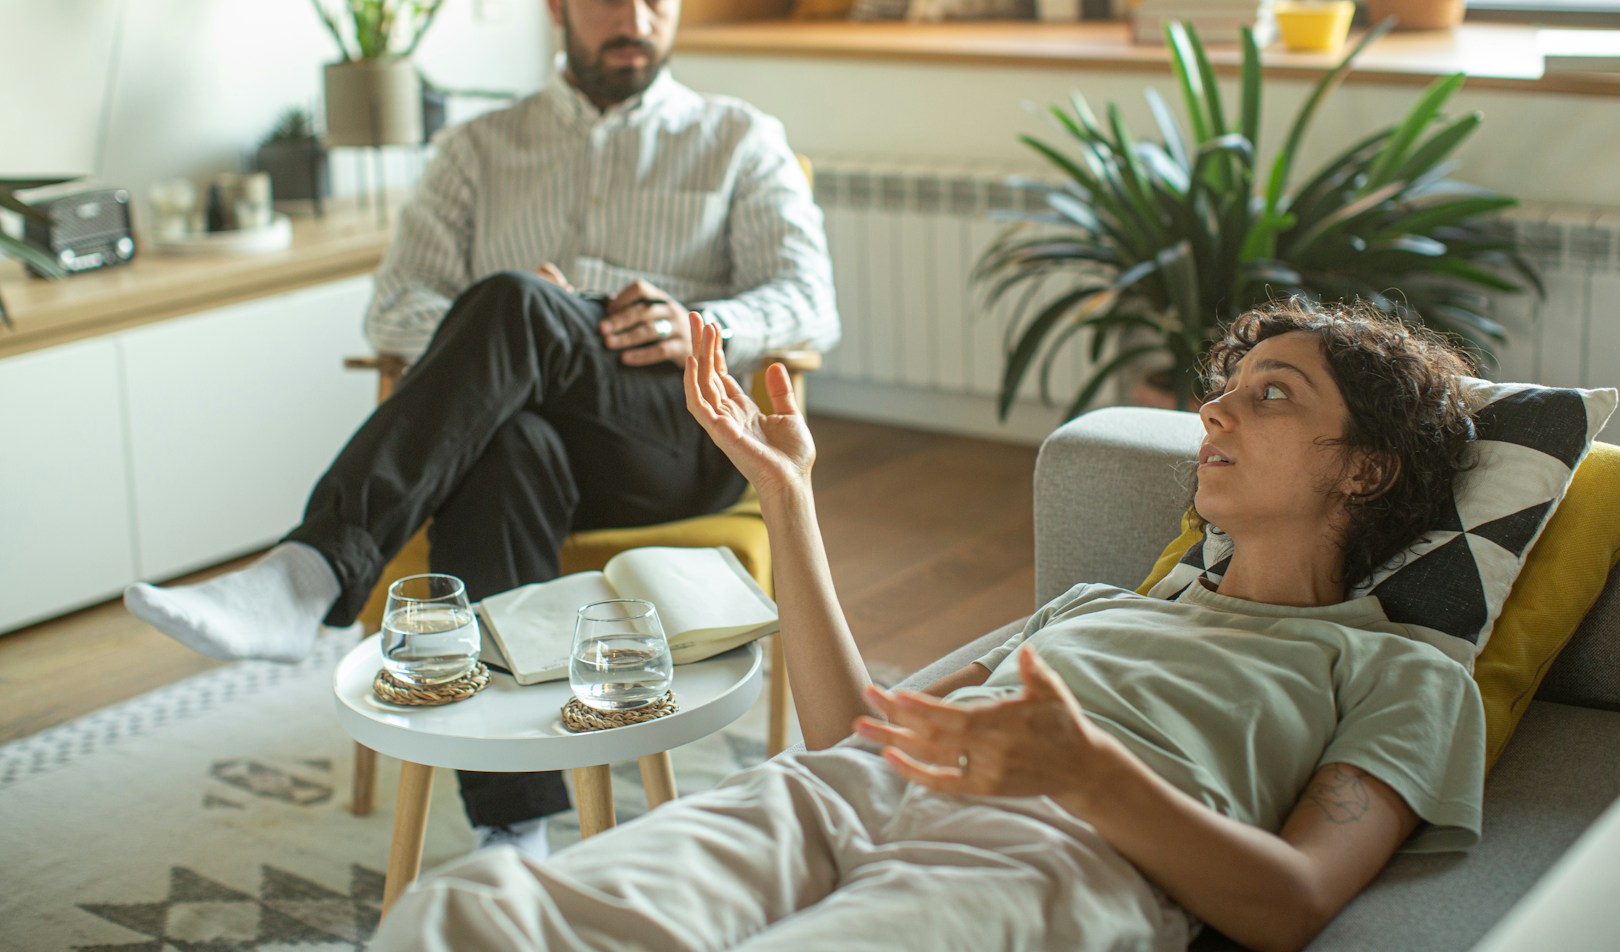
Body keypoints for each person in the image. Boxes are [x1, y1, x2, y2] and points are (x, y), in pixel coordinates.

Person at [369, 298, 1487, 952]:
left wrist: (1085, 771)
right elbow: (856, 733)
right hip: (836, 799)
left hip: (1048, 857)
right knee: (467, 912)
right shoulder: (1099, 607)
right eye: (1228, 386)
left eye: (1273, 393)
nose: (1215, 409)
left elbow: (1291, 905)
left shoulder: (1401, 672)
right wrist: (787, 494)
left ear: (1368, 469)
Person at [121, 0, 838, 856]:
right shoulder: (475, 150)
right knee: (508, 421)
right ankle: (518, 825)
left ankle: (314, 569)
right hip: (528, 434)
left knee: (511, 306)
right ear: (556, 0)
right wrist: (510, 329)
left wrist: (698, 320)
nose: (636, 18)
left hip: (681, 431)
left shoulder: (740, 137)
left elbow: (810, 302)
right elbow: (393, 309)